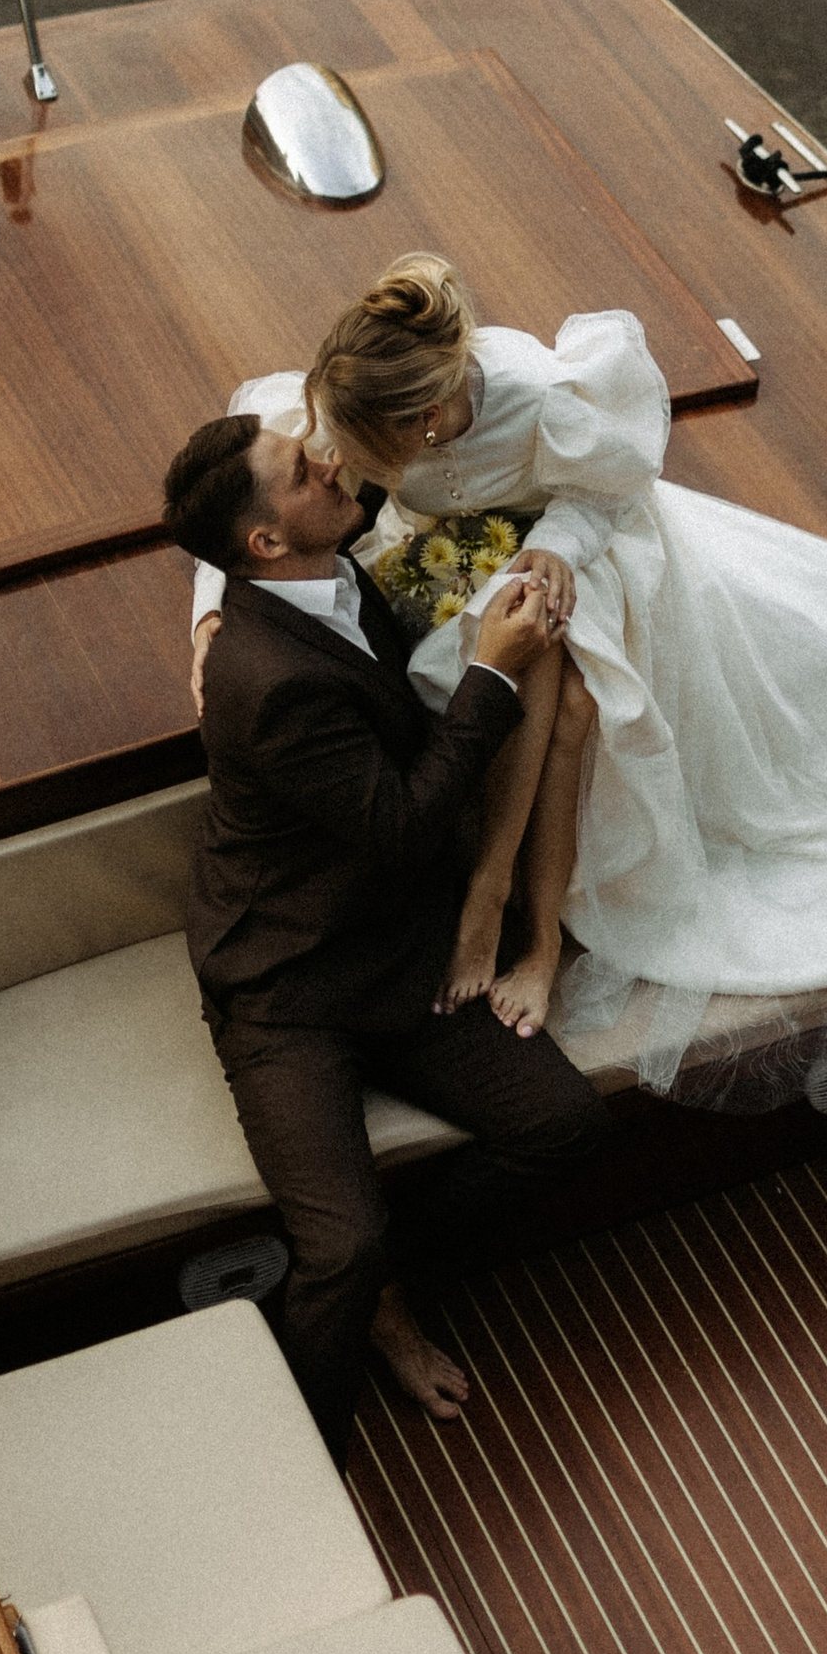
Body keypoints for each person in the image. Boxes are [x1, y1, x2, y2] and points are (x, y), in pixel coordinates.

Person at [190, 256, 827, 1106]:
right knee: (544, 666)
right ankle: (513, 914)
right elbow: (250, 503)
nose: (332, 464)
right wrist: (211, 615)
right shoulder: (355, 400)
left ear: (421, 422)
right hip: (454, 560)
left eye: (350, 452)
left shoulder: (542, 394)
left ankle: (507, 910)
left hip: (584, 551)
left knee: (557, 659)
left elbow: (611, 491)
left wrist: (553, 548)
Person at [160, 404, 607, 1459]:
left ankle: (398, 1292)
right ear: (266, 540)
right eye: (299, 470)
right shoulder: (265, 681)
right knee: (341, 1246)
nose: (327, 464)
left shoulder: (336, 572)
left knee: (564, 1126)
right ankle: (315, 1458)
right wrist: (494, 670)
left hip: (400, 953)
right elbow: (403, 825)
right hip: (287, 986)